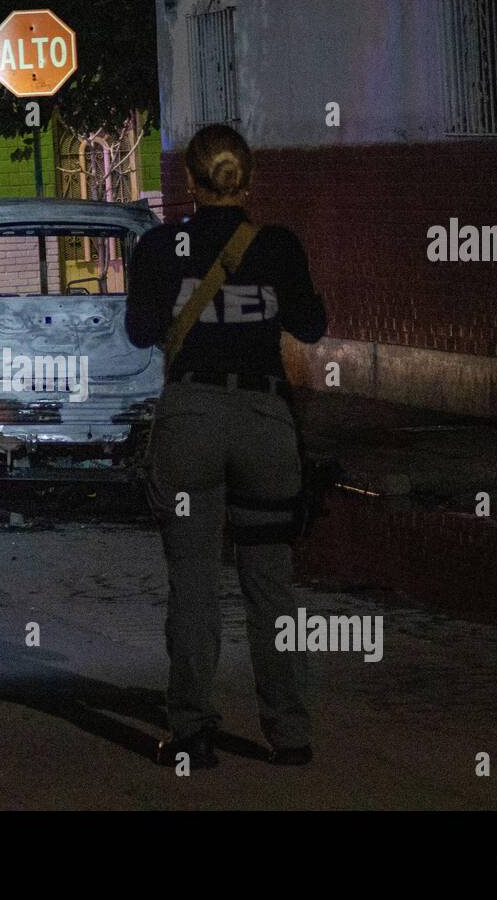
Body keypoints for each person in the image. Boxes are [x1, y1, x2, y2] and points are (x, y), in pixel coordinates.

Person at [125, 123, 327, 769]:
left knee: (194, 585)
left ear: (189, 182)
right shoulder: (276, 246)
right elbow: (313, 326)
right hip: (264, 423)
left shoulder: (160, 246)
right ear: (248, 179)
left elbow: (138, 333)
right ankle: (289, 733)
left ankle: (190, 731)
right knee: (272, 588)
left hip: (190, 420)